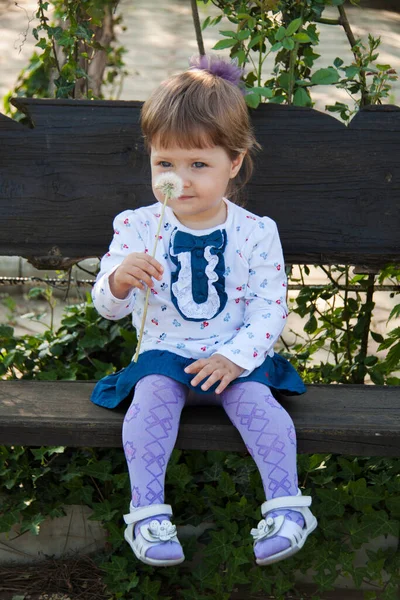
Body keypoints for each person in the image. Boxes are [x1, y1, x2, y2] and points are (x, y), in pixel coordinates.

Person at [90, 54, 317, 568]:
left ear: (233, 162)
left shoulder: (255, 231)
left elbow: (269, 306)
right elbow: (105, 308)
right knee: (149, 400)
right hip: (165, 354)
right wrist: (119, 281)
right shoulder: (136, 227)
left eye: (198, 165)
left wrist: (236, 359)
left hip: (235, 360)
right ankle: (146, 514)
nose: (180, 180)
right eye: (164, 164)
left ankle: (287, 508)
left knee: (263, 409)